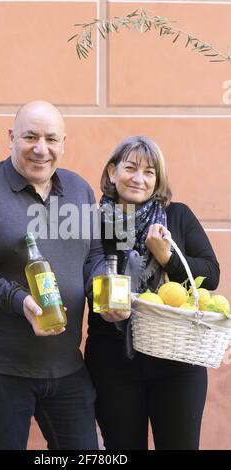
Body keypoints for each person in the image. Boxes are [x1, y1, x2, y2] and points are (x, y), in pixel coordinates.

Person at [0, 101, 110, 450]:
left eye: (50, 138)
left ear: (63, 142)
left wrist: (104, 290)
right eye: (30, 136)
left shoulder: (79, 190)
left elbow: (92, 255)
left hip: (65, 364)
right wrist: (18, 300)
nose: (40, 148)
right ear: (12, 137)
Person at [85, 135, 220, 450]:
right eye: (130, 167)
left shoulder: (178, 216)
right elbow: (84, 273)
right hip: (112, 360)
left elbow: (210, 274)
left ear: (158, 180)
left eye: (149, 172)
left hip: (178, 362)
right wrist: (102, 298)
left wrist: (167, 257)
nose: (138, 178)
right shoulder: (93, 221)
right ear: (112, 172)